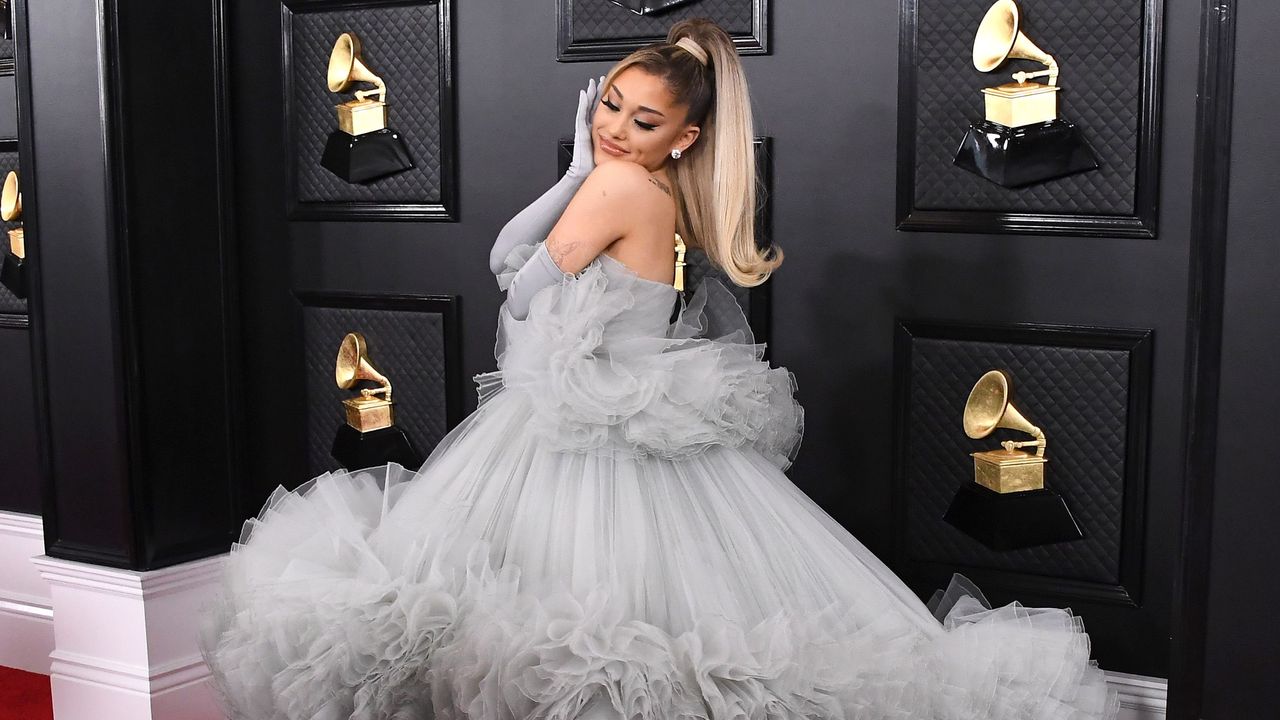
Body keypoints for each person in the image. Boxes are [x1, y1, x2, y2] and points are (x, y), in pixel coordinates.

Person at [198, 18, 1120, 720]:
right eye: (608, 107)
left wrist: (575, 176)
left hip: (585, 420)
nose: (614, 129)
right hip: (616, 408)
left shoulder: (618, 184)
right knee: (663, 608)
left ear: (684, 135)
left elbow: (510, 279)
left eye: (643, 121)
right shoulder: (658, 187)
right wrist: (580, 173)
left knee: (561, 621)